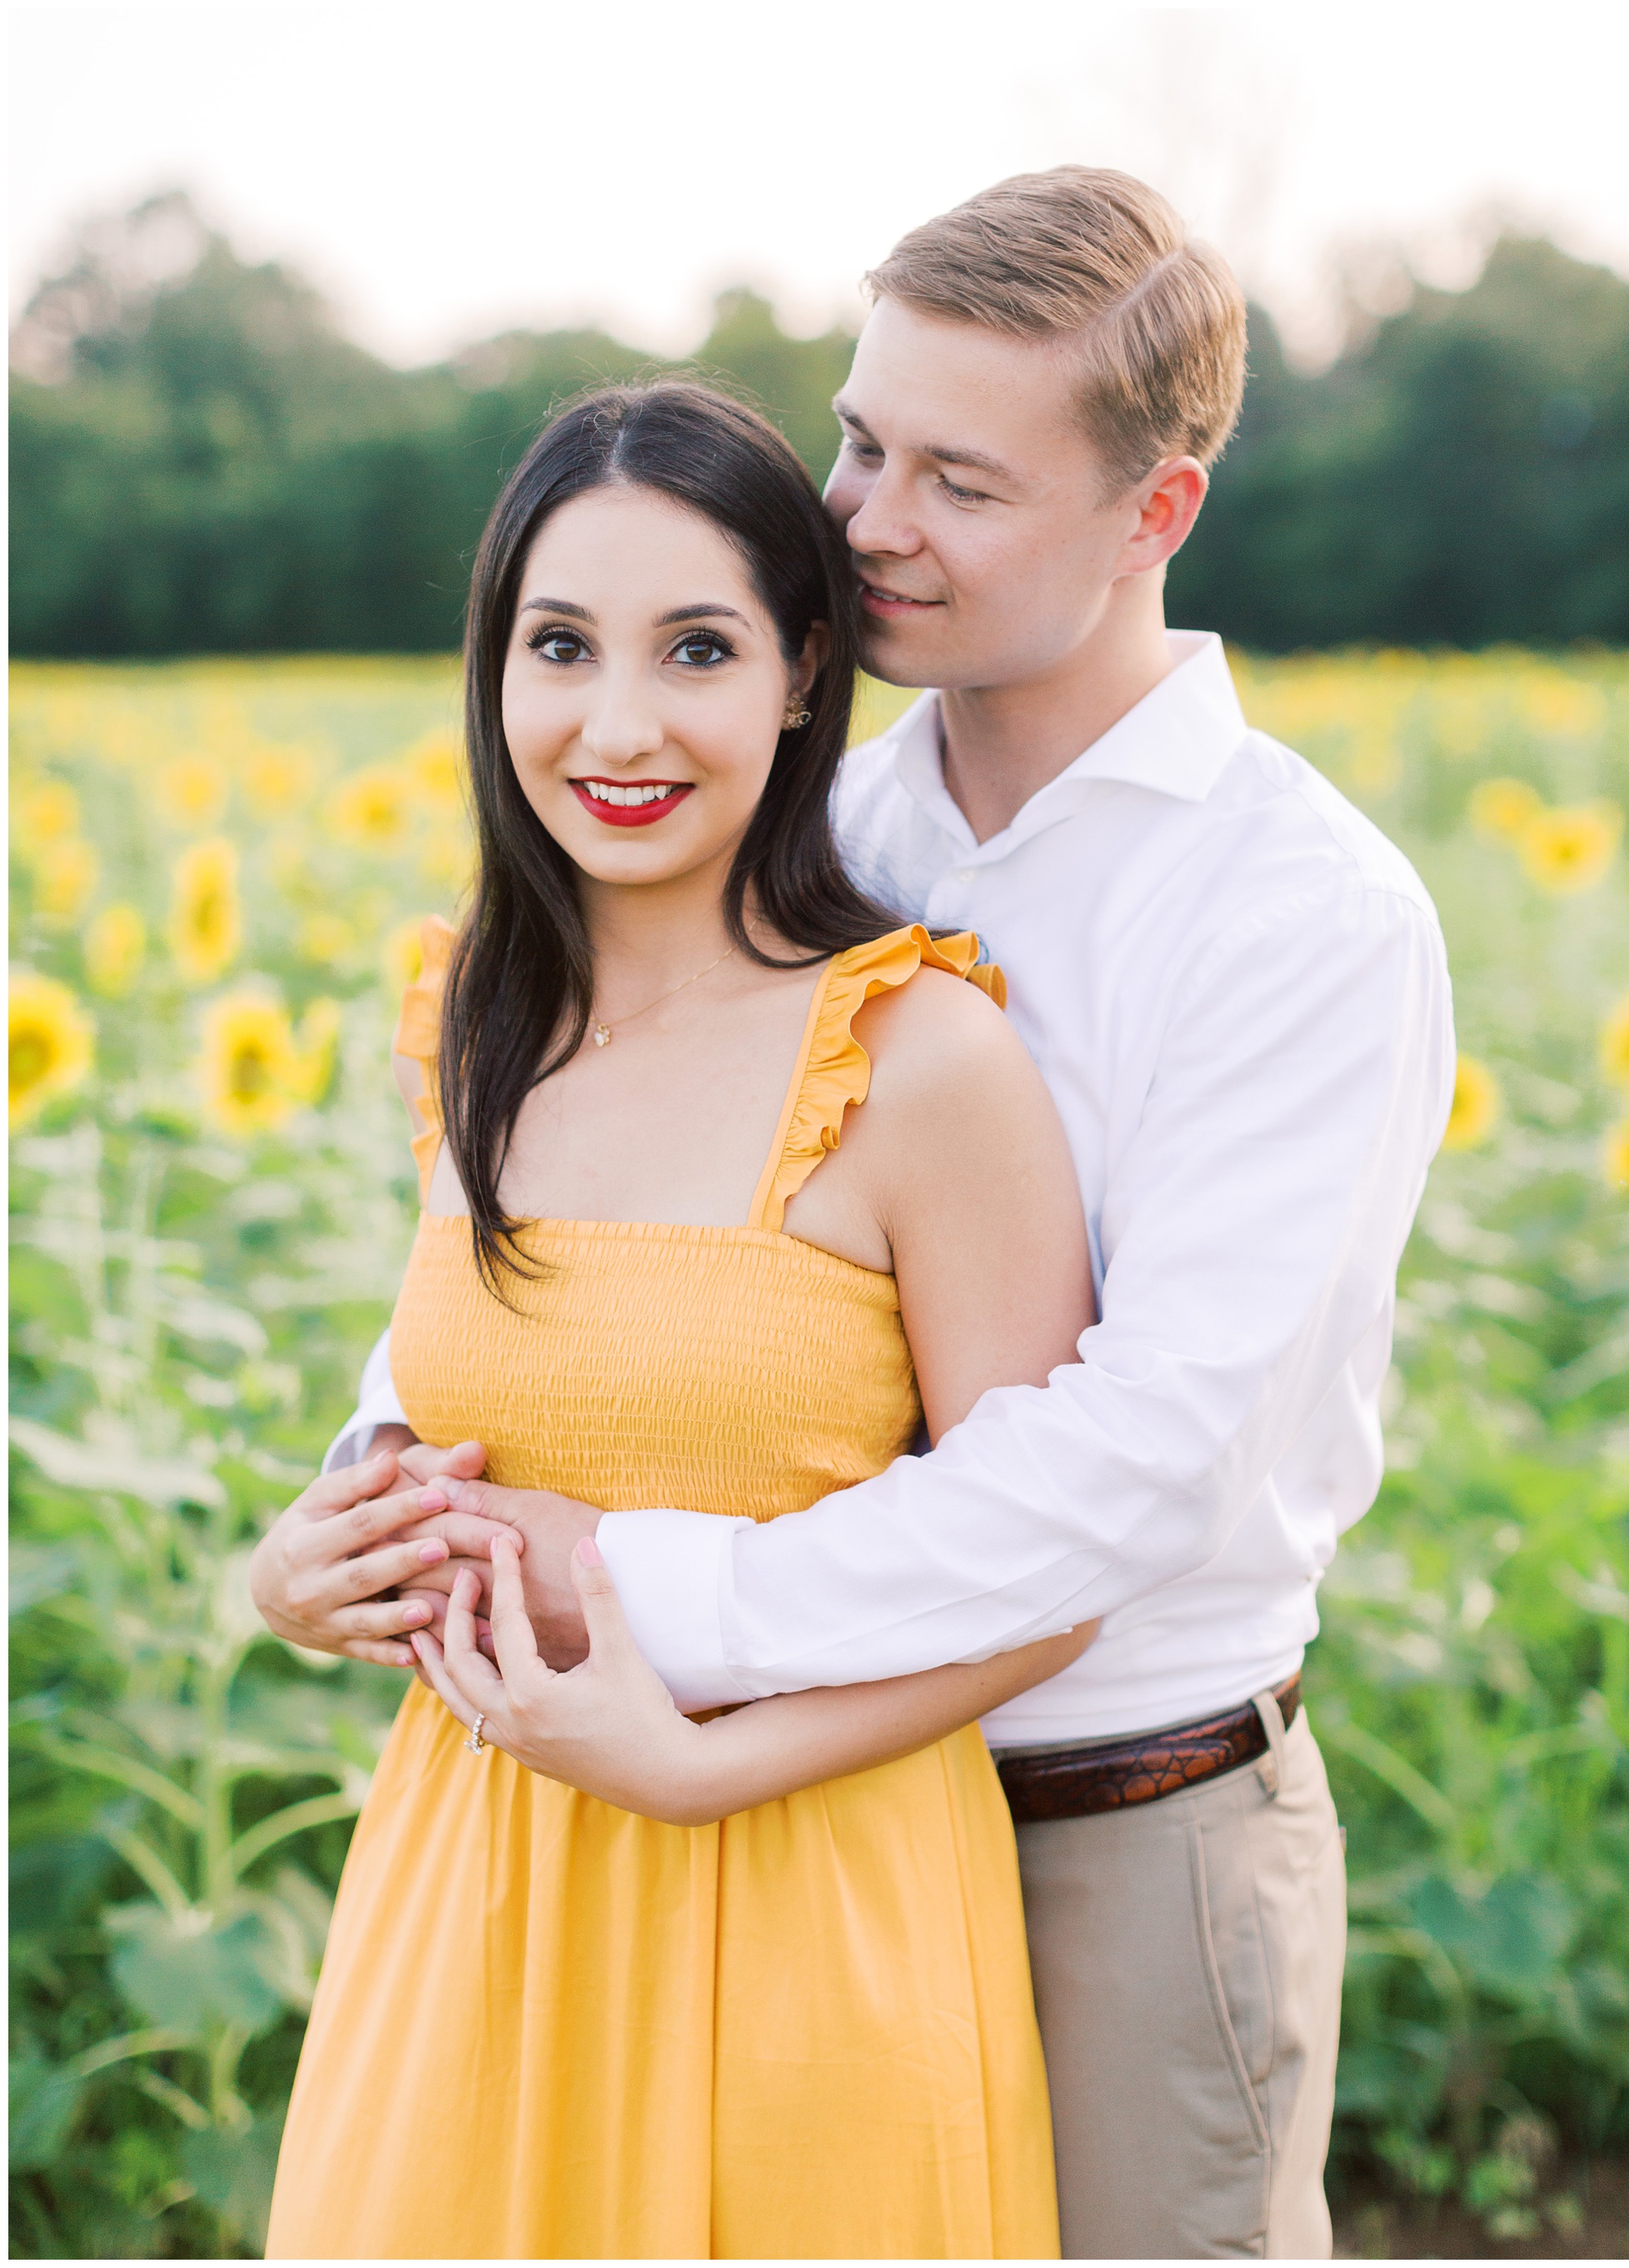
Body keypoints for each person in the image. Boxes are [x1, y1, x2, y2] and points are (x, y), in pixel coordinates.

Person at [261, 168, 1456, 2260]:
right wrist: (386, 1484)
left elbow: (1131, 1473)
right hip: (720, 1802)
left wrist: (632, 1597)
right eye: (858, 439)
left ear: (1153, 516)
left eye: (958, 482)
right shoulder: (819, 818)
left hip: (1112, 1816)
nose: (868, 517)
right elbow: (595, 1217)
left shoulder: (1299, 914)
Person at [259, 380, 1102, 2260]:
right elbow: (459, 1406)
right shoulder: (474, 1013)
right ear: (493, 672)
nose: (616, 724)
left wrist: (698, 1763)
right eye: (558, 646)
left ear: (805, 676)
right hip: (471, 1890)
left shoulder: (920, 1058)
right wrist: (311, 1565)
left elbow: (1049, 1577)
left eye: (696, 649)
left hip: (809, 1899)